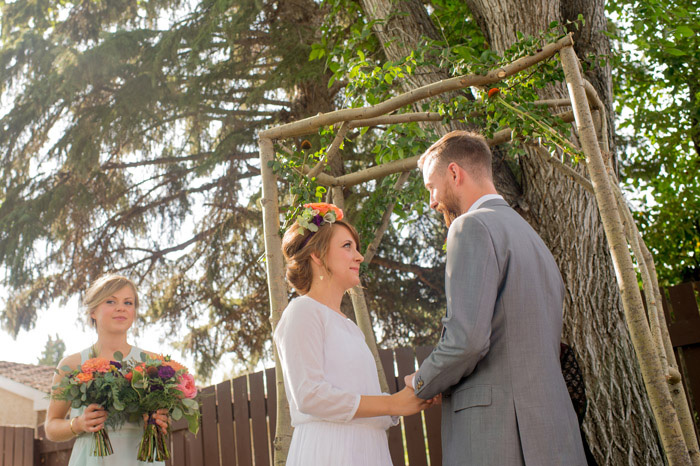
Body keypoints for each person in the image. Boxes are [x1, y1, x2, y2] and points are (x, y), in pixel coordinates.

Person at [407, 131, 587, 465]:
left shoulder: (470, 227)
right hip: (553, 433)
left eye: (431, 187)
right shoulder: (532, 239)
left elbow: (467, 341)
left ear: (455, 173)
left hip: (500, 436)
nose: (432, 201)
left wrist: (421, 381)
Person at [274, 202, 433, 466]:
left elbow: (357, 399)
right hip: (329, 452)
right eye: (347, 246)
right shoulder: (302, 312)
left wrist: (410, 396)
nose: (359, 256)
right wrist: (392, 404)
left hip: (368, 451)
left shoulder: (350, 327)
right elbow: (309, 395)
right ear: (316, 255)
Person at [45, 274, 170, 466]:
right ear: (93, 311)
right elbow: (51, 427)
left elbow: (166, 420)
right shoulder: (70, 365)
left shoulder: (154, 363)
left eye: (128, 303)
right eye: (111, 301)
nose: (121, 308)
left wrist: (159, 420)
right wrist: (78, 424)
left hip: (142, 459)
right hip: (91, 460)